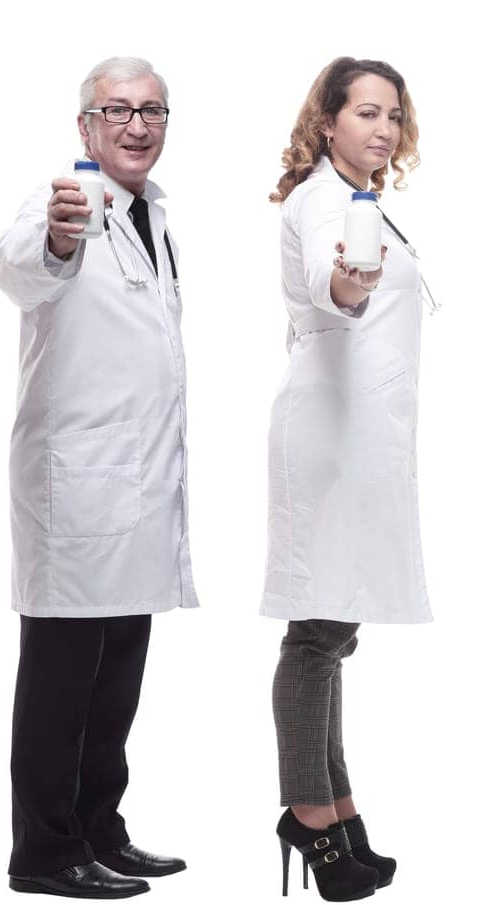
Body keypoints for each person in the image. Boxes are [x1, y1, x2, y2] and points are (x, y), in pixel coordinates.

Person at [0, 56, 191, 899]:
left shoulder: (154, 213)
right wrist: (61, 236)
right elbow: (13, 265)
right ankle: (42, 850)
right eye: (117, 110)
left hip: (139, 486)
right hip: (78, 486)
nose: (137, 125)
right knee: (60, 680)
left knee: (115, 682)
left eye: (152, 111)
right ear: (85, 127)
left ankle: (99, 829)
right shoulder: (58, 200)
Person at [263, 56, 427, 903]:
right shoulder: (328, 199)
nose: (383, 129)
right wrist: (347, 284)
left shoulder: (361, 200)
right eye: (366, 112)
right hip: (332, 435)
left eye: (393, 116)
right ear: (328, 123)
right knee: (317, 637)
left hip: (355, 434)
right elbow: (337, 289)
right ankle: (311, 818)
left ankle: (339, 803)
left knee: (333, 631)